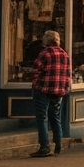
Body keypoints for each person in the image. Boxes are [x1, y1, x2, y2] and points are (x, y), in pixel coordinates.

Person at [30, 29, 70, 157]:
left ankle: (45, 146)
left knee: (42, 118)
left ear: (47, 40)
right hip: (59, 91)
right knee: (55, 116)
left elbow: (36, 70)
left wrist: (35, 84)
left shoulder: (45, 53)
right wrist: (65, 89)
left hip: (44, 89)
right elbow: (68, 74)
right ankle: (58, 144)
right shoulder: (65, 54)